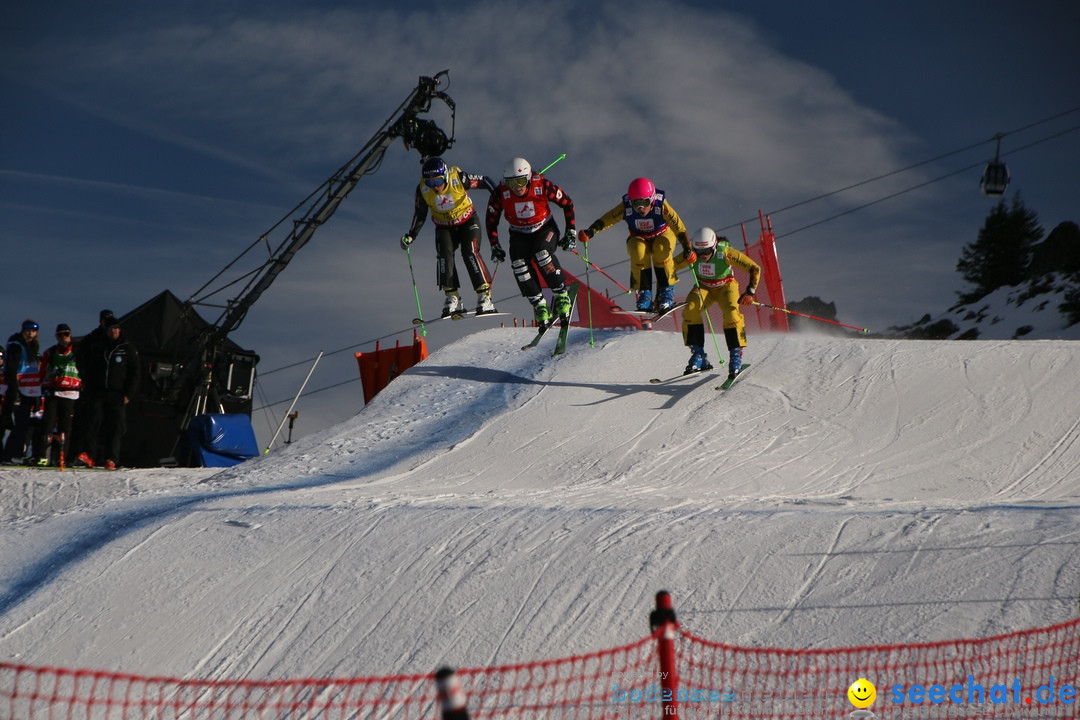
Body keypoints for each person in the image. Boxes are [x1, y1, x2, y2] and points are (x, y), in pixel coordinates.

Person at [400, 157, 500, 318]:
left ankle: (484, 295)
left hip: (467, 221)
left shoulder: (458, 179)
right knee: (444, 255)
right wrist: (411, 235)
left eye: (438, 181)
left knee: (470, 252)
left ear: (445, 176)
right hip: (444, 226)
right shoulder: (423, 190)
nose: (435, 187)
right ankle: (452, 297)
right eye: (430, 182)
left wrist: (499, 197)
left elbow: (484, 180)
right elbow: (420, 214)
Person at [485, 157, 578, 325]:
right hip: (519, 233)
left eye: (520, 181)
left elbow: (567, 203)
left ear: (528, 178)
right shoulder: (501, 193)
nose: (517, 187)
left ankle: (561, 293)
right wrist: (494, 245)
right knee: (519, 264)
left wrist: (570, 231)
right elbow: (491, 220)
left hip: (544, 228)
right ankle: (540, 304)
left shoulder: (541, 186)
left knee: (542, 253)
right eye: (511, 183)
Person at [578, 177, 693, 313]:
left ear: (651, 198)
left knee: (661, 249)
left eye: (644, 202)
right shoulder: (626, 207)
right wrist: (591, 231)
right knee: (637, 249)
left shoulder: (661, 205)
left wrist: (688, 249)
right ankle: (644, 293)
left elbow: (678, 227)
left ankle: (666, 292)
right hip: (640, 238)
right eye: (636, 204)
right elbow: (609, 218)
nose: (641, 208)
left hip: (662, 235)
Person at [674, 227, 761, 377]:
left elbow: (754, 268)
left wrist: (750, 292)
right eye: (699, 252)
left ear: (713, 247)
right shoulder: (692, 254)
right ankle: (699, 355)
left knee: (731, 314)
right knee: (690, 310)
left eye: (706, 252)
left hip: (725, 286)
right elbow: (669, 267)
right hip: (704, 287)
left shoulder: (724, 253)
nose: (702, 256)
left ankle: (735, 355)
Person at [75, 315, 139, 469]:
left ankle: (111, 458)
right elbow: (82, 359)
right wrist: (85, 379)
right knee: (92, 423)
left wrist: (129, 393)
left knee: (115, 426)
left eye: (116, 329)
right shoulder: (97, 344)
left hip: (117, 393)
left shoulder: (126, 348)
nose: (114, 332)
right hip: (96, 391)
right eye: (111, 329)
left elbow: (135, 372)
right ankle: (89, 455)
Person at [38, 323, 82, 465]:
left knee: (65, 428)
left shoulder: (77, 352)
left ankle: (61, 457)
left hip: (70, 394)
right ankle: (43, 456)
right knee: (47, 426)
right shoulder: (50, 352)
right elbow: (42, 373)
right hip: (53, 392)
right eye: (60, 335)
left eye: (66, 334)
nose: (63, 338)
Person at [3, 319, 44, 464]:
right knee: (18, 425)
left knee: (23, 424)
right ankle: (10, 454)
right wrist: (15, 392)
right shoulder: (17, 346)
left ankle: (15, 453)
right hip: (18, 391)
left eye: (33, 331)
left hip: (28, 391)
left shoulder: (31, 347)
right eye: (27, 331)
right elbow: (12, 369)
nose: (30, 334)